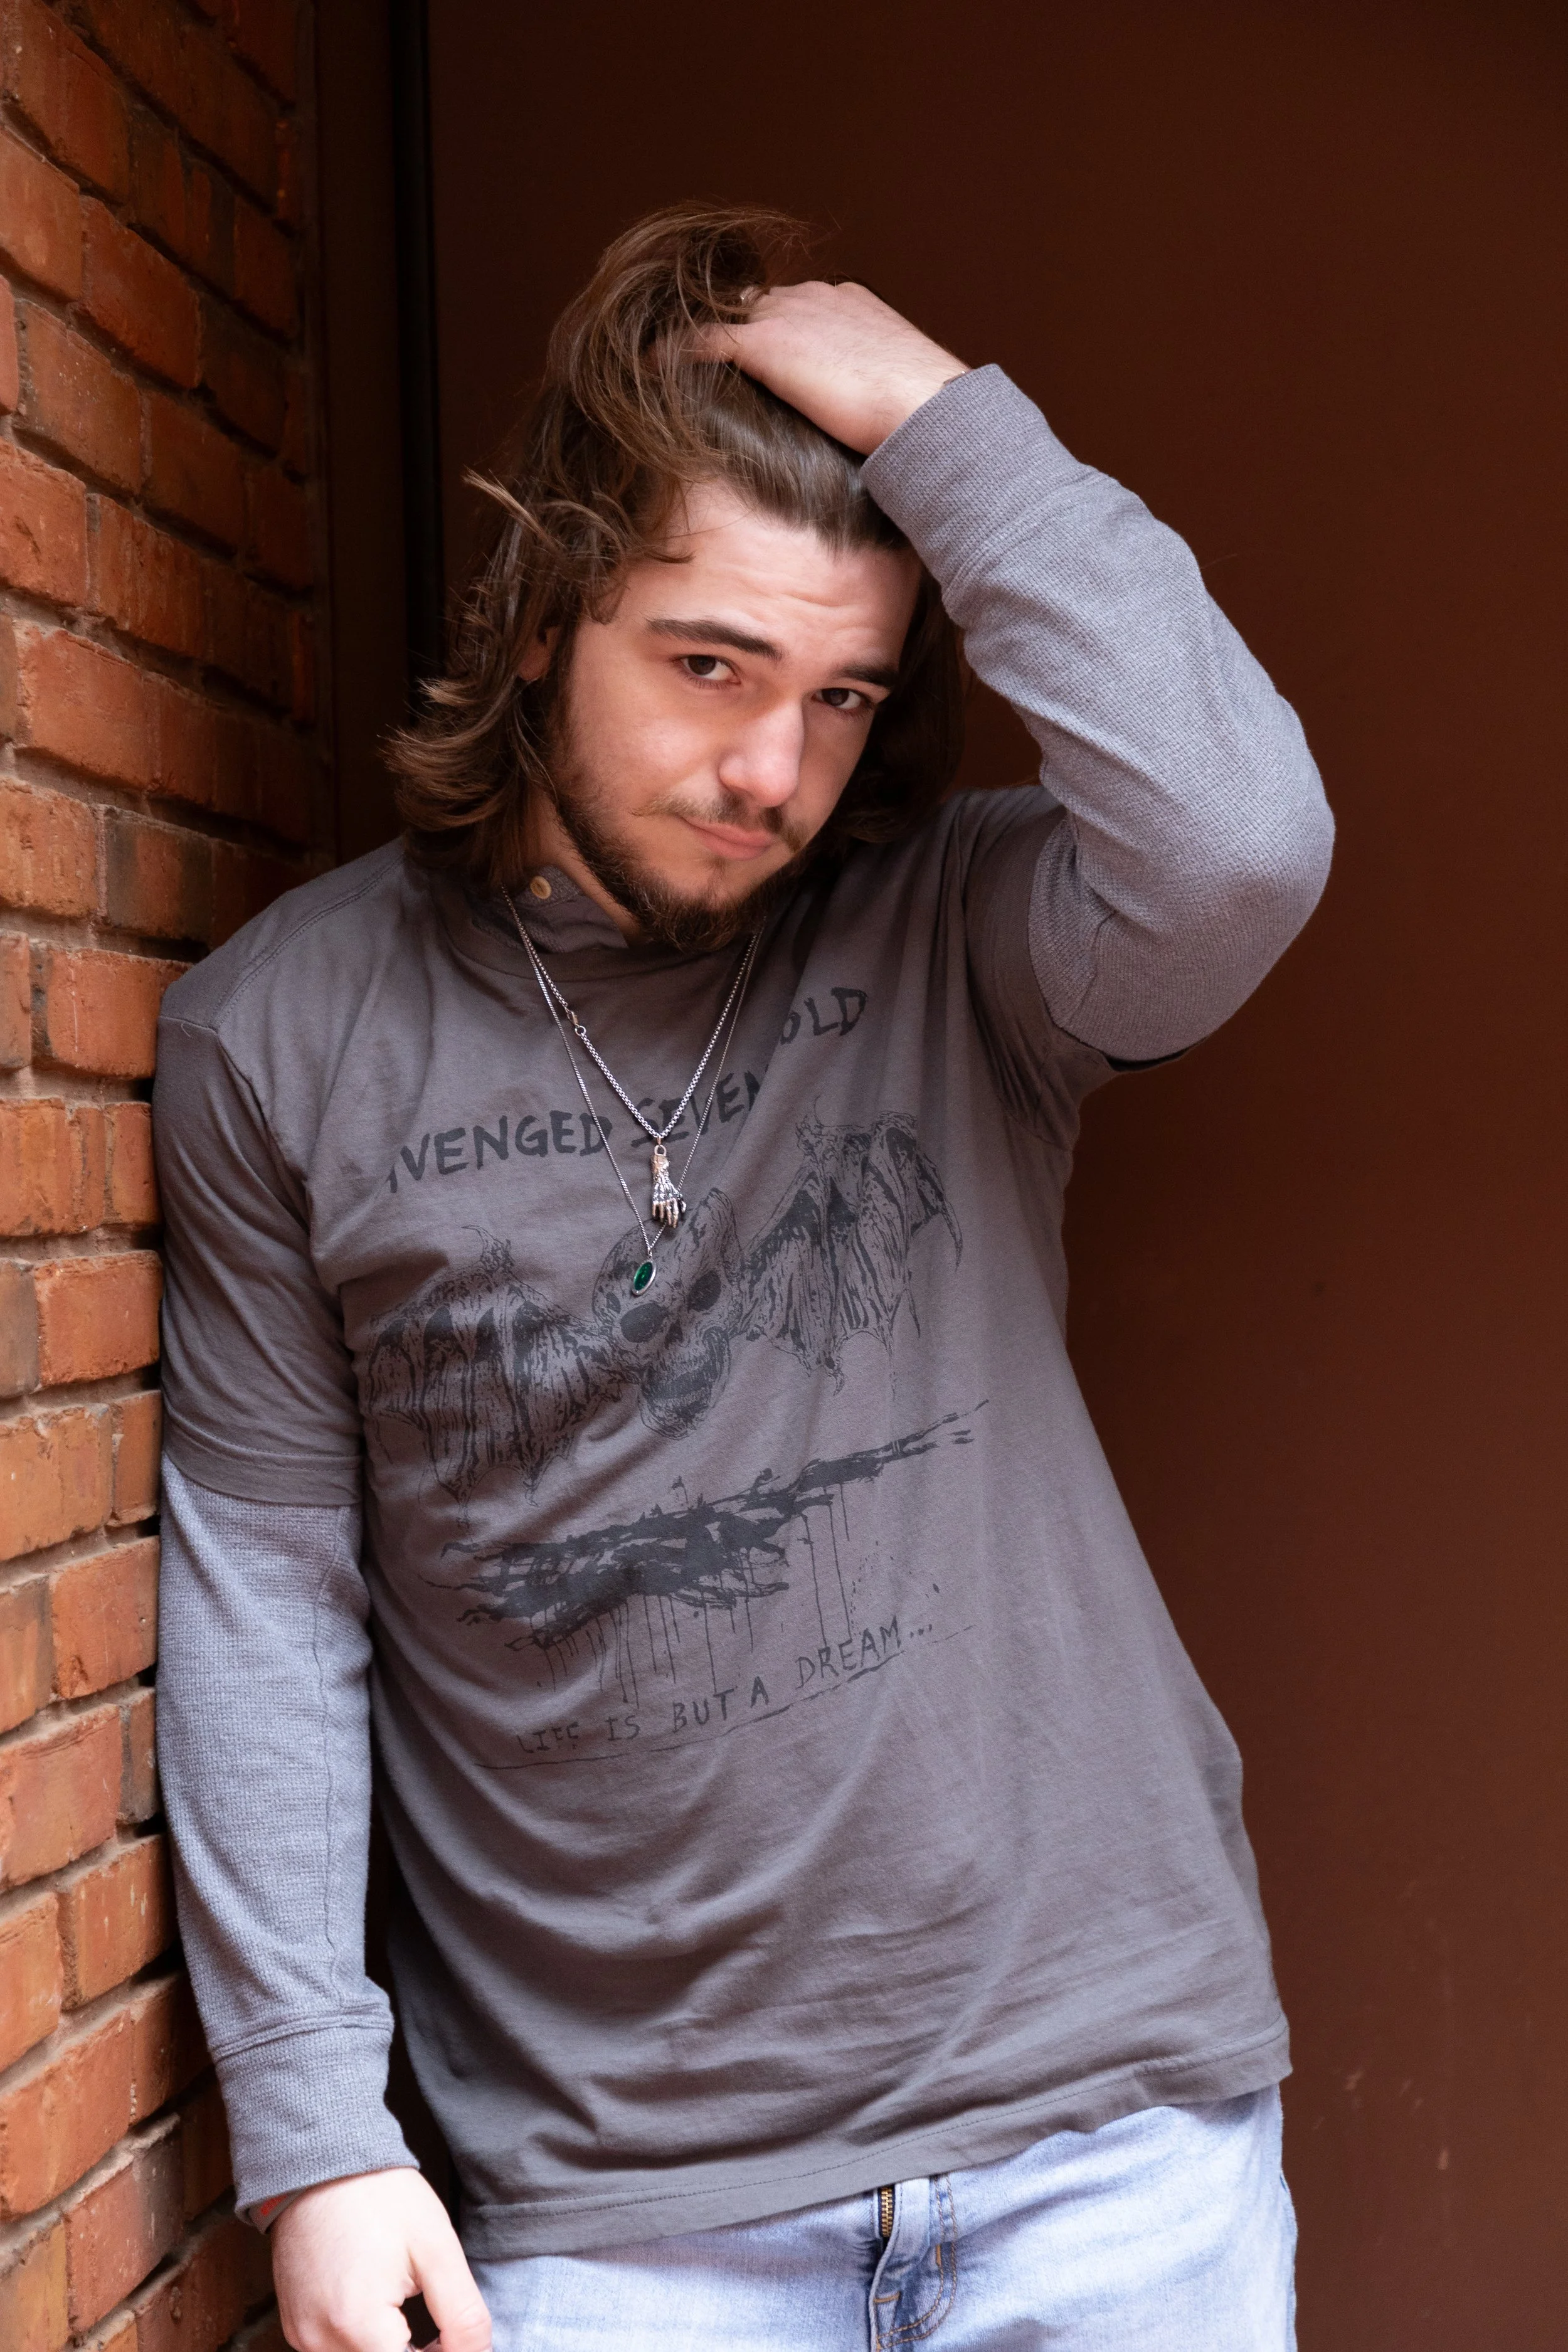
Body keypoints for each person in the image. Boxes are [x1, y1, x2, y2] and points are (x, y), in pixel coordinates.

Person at [153, 204, 1332, 2352]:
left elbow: (1238, 841)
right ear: (537, 620)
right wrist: (318, 2130)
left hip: (1103, 2142)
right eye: (708, 664)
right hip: (623, 2210)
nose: (773, 775)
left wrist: (954, 435)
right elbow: (264, 1600)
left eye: (841, 695)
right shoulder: (279, 1037)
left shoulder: (964, 939)